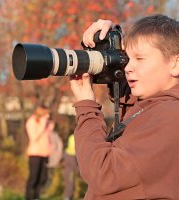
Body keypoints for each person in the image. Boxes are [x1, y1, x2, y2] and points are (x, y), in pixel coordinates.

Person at [69, 14, 179, 199]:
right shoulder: (150, 106)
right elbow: (125, 93)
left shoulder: (169, 115)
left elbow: (104, 174)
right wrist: (110, 41)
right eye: (127, 58)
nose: (128, 67)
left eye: (140, 59)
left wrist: (86, 107)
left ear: (175, 63)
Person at [25, 104, 53, 200]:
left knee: (43, 178)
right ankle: (28, 197)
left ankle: (36, 197)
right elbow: (34, 137)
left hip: (45, 154)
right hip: (35, 154)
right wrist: (43, 122)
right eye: (46, 114)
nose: (47, 116)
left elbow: (48, 138)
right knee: (33, 178)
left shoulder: (46, 123)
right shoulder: (32, 121)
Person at [63, 132, 78, 200]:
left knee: (69, 183)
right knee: (70, 183)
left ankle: (68, 196)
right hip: (70, 170)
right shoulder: (74, 137)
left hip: (68, 169)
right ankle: (67, 197)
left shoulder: (66, 152)